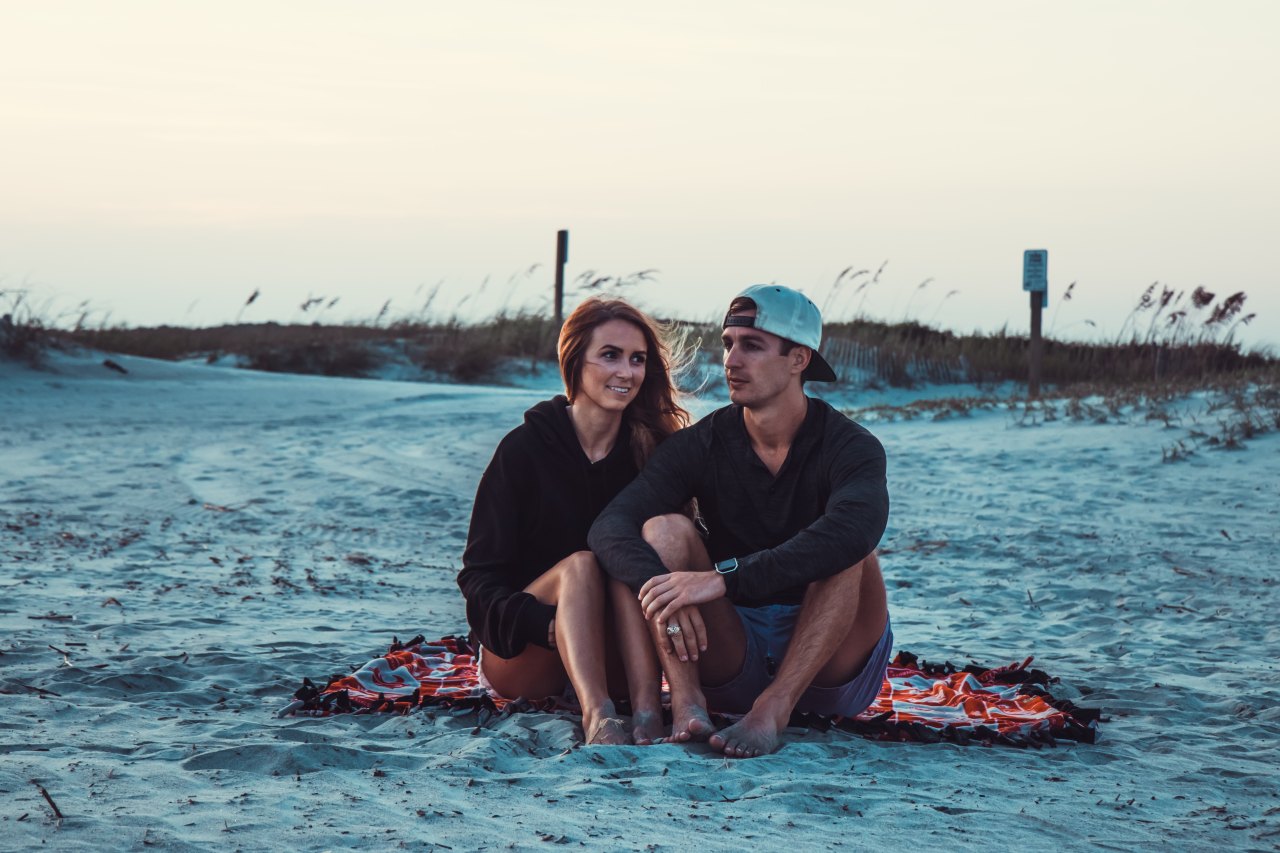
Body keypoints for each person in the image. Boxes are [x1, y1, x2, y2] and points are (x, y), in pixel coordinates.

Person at [588, 284, 891, 757]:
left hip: (830, 662)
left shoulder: (850, 446)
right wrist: (665, 584)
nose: (731, 359)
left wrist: (724, 578)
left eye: (751, 346)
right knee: (663, 530)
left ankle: (773, 710)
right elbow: (611, 525)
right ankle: (688, 701)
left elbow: (857, 528)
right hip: (732, 650)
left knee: (853, 550)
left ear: (799, 359)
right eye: (728, 343)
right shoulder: (703, 443)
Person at [457, 297, 690, 745]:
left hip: (620, 654)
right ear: (574, 362)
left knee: (623, 554)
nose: (627, 372)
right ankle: (598, 716)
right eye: (610, 355)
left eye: (637, 359)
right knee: (581, 563)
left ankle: (646, 714)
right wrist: (545, 624)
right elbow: (479, 580)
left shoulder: (652, 454)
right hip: (527, 655)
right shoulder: (524, 450)